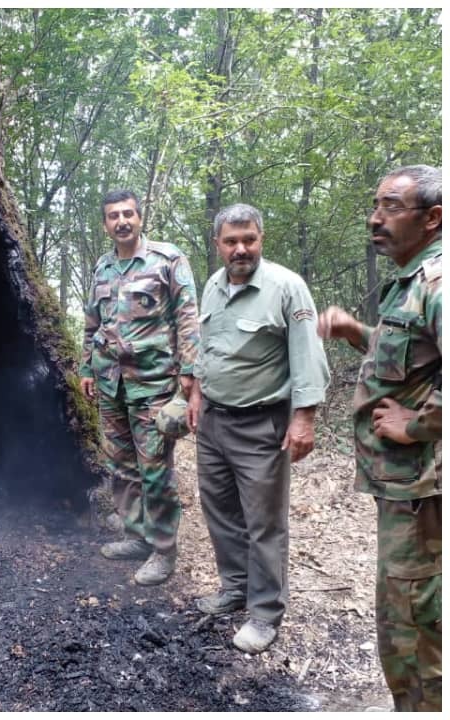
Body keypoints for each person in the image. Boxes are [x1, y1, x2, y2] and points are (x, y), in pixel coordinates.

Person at [317, 165, 441, 711]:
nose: (375, 218)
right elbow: (408, 360)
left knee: (412, 620)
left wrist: (415, 425)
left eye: (392, 206)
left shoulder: (437, 283)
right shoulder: (411, 282)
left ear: (433, 218)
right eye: (376, 205)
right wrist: (355, 333)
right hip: (402, 489)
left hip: (424, 492)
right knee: (404, 613)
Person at [187, 203, 329, 654]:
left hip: (261, 424)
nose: (240, 248)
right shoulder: (212, 286)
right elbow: (206, 348)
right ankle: (234, 587)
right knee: (220, 510)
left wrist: (304, 417)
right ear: (218, 245)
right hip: (213, 420)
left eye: (248, 239)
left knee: (264, 523)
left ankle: (265, 612)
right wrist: (194, 393)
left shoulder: (286, 287)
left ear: (261, 238)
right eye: (231, 241)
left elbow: (308, 355)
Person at [79, 189, 200, 586]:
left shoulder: (167, 260)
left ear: (140, 217)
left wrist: (190, 373)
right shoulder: (102, 269)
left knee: (155, 471)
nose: (122, 221)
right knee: (121, 466)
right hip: (110, 384)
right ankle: (136, 536)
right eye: (113, 216)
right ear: (105, 224)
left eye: (128, 214)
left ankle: (164, 552)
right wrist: (85, 367)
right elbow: (92, 323)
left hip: (153, 383)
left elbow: (188, 317)